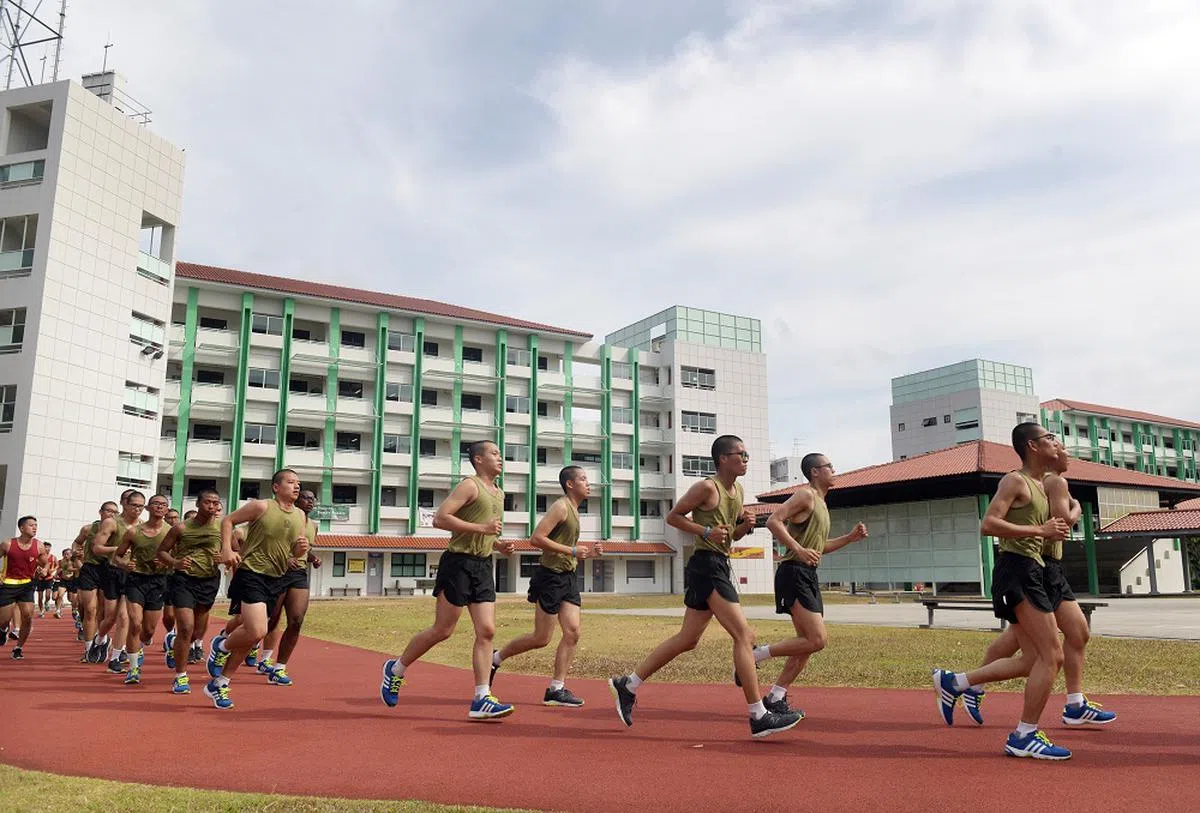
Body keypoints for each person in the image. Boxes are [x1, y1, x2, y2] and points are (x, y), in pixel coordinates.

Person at [608, 436, 803, 739]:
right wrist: (705, 530)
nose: (746, 459)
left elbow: (730, 538)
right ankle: (758, 714)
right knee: (743, 635)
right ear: (723, 459)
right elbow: (672, 516)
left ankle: (628, 684)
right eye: (741, 454)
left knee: (688, 639)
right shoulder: (706, 487)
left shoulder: (737, 491)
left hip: (718, 563)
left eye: (747, 454)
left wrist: (744, 527)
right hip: (706, 565)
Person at [936, 446, 1116, 728]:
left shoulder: (1040, 482)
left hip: (1039, 567)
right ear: (1042, 452)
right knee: (1039, 653)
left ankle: (969, 685)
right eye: (1060, 449)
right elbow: (1060, 521)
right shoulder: (1052, 481)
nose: (1068, 456)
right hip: (1035, 568)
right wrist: (1076, 508)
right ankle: (971, 688)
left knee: (1056, 638)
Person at [933, 422, 1072, 760]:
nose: (1055, 442)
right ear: (1032, 446)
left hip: (1032, 571)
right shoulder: (1015, 480)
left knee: (1031, 661)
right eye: (1049, 438)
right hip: (1017, 571)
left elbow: (1057, 510)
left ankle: (957, 682)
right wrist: (1038, 528)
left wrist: (1049, 530)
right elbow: (988, 524)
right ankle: (1024, 735)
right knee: (1053, 655)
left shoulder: (1043, 484)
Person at [380, 440, 518, 720]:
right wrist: (483, 528)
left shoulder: (499, 493)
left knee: (487, 631)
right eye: (494, 453)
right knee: (443, 630)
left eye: (500, 454)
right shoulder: (470, 485)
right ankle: (395, 669)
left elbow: (483, 533)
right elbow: (440, 519)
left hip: (482, 565)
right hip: (457, 564)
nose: (500, 457)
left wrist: (497, 544)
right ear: (478, 459)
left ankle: (481, 698)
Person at [750, 453, 868, 717]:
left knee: (807, 643)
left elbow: (819, 548)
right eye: (829, 466)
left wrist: (849, 538)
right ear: (815, 472)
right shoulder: (805, 496)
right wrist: (798, 549)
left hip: (808, 574)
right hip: (793, 572)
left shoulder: (823, 505)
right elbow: (773, 521)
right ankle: (755, 655)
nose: (834, 469)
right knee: (817, 639)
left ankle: (776, 696)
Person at [489, 466, 601, 707]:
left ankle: (556, 689)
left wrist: (586, 554)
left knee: (573, 632)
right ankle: (496, 658)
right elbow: (536, 538)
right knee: (541, 638)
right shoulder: (561, 507)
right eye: (583, 479)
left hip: (568, 577)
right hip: (550, 577)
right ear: (570, 484)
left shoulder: (575, 510)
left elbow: (564, 547)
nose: (588, 483)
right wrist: (571, 550)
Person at [204, 470, 309, 710]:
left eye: (298, 484)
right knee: (257, 630)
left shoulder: (300, 515)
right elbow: (227, 520)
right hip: (252, 572)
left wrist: (300, 550)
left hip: (277, 577)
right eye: (291, 482)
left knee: (251, 636)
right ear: (276, 487)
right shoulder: (261, 506)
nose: (296, 487)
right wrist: (228, 550)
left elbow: (294, 550)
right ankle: (220, 646)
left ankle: (220, 683)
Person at [157, 492, 225, 693]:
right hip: (184, 580)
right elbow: (161, 552)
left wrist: (225, 556)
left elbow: (236, 550)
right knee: (186, 628)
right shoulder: (181, 527)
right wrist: (175, 562)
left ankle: (175, 641)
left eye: (215, 503)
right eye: (207, 502)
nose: (211, 506)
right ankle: (180, 676)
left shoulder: (222, 527)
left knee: (197, 632)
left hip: (209, 580)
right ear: (198, 504)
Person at [256, 488, 321, 686]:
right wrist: (287, 557)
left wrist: (313, 558)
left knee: (296, 620)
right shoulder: (285, 518)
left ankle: (279, 668)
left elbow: (305, 548)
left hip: (298, 574)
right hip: (277, 571)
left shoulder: (314, 525)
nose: (309, 501)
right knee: (271, 619)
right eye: (305, 498)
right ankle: (239, 645)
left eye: (312, 499)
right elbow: (271, 544)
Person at [114, 494, 172, 685]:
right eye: (156, 504)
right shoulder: (133, 532)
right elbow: (117, 557)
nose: (160, 507)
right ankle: (133, 669)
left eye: (163, 505)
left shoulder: (171, 532)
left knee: (148, 631)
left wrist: (167, 563)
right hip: (136, 580)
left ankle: (140, 646)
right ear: (148, 508)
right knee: (135, 624)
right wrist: (125, 565)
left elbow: (179, 559)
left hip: (158, 581)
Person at [88, 491, 145, 670]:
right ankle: (100, 639)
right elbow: (96, 548)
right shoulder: (112, 523)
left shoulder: (144, 526)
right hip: (113, 572)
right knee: (110, 617)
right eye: (134, 505)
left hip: (133, 575)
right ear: (125, 504)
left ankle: (115, 657)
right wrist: (118, 549)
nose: (137, 509)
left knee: (124, 616)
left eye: (141, 506)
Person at [72, 501, 119, 661]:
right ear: (101, 512)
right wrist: (75, 553)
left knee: (105, 612)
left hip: (109, 569)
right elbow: (77, 542)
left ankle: (102, 639)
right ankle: (89, 649)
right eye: (109, 511)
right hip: (90, 569)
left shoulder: (119, 529)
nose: (111, 514)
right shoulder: (88, 528)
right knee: (90, 609)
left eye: (115, 512)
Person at [0, 516, 48, 659]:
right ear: (21, 528)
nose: (34, 528)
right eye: (31, 525)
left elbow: (44, 564)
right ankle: (3, 630)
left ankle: (18, 647)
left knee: (27, 617)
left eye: (36, 525)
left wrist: (43, 571)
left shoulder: (39, 546)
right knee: (4, 619)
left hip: (27, 585)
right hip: (8, 585)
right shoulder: (8, 544)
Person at [160, 507, 181, 653]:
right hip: (165, 576)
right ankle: (170, 633)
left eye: (175, 517)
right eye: (169, 518)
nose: (173, 520)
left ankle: (185, 642)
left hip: (182, 577)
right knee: (169, 615)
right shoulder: (162, 534)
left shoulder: (184, 533)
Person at [35, 542, 57, 618]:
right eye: (46, 547)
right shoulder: (38, 557)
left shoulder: (53, 557)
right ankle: (41, 611)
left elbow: (57, 565)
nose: (47, 549)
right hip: (40, 579)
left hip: (49, 578)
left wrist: (53, 569)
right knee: (40, 597)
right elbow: (35, 565)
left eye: (49, 547)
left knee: (48, 595)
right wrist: (38, 570)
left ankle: (46, 602)